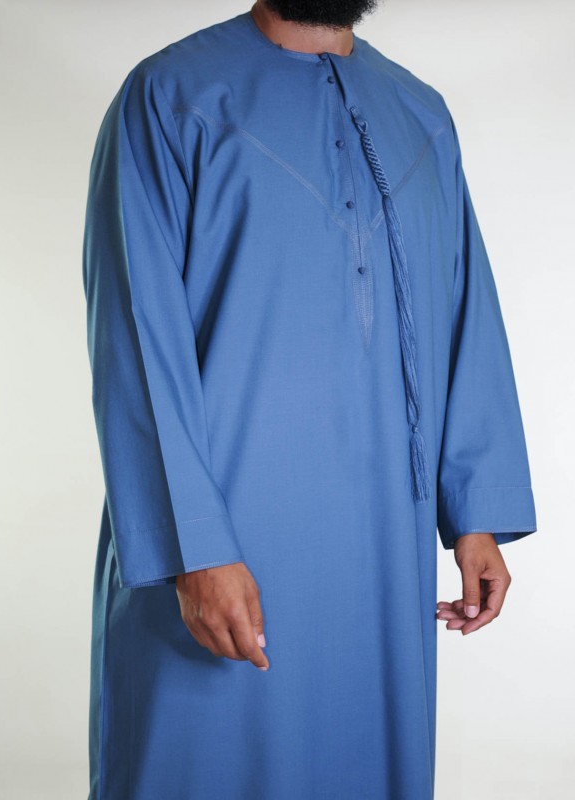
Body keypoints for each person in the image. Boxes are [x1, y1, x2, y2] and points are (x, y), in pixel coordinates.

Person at [81, 1, 538, 797]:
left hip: (381, 551)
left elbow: (467, 313)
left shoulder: (420, 114)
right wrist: (195, 550)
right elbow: (136, 335)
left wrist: (476, 516)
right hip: (223, 541)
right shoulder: (170, 95)